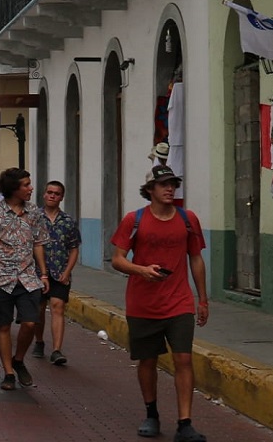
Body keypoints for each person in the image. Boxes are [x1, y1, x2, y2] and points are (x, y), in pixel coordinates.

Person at [111, 166, 208, 442]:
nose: (169, 189)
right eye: (163, 184)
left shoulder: (188, 219)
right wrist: (141, 270)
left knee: (184, 359)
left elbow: (196, 259)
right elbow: (117, 259)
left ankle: (185, 423)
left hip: (179, 302)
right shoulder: (135, 220)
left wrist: (203, 299)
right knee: (147, 360)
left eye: (173, 184)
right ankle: (151, 413)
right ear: (150, 190)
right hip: (142, 303)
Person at [0, 168, 48, 391]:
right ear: (14, 188)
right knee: (3, 326)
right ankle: (8, 371)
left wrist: (43, 273)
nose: (31, 188)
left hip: (27, 277)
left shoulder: (34, 212)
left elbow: (38, 243)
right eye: (26, 184)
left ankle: (19, 359)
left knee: (30, 322)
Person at [32, 180, 80, 365]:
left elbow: (74, 248)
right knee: (38, 309)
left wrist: (68, 272)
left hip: (60, 273)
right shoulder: (34, 218)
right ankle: (39, 341)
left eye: (56, 193)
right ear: (44, 195)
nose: (52, 196)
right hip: (37, 272)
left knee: (58, 307)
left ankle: (57, 350)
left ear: (61, 197)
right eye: (49, 192)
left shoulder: (68, 222)